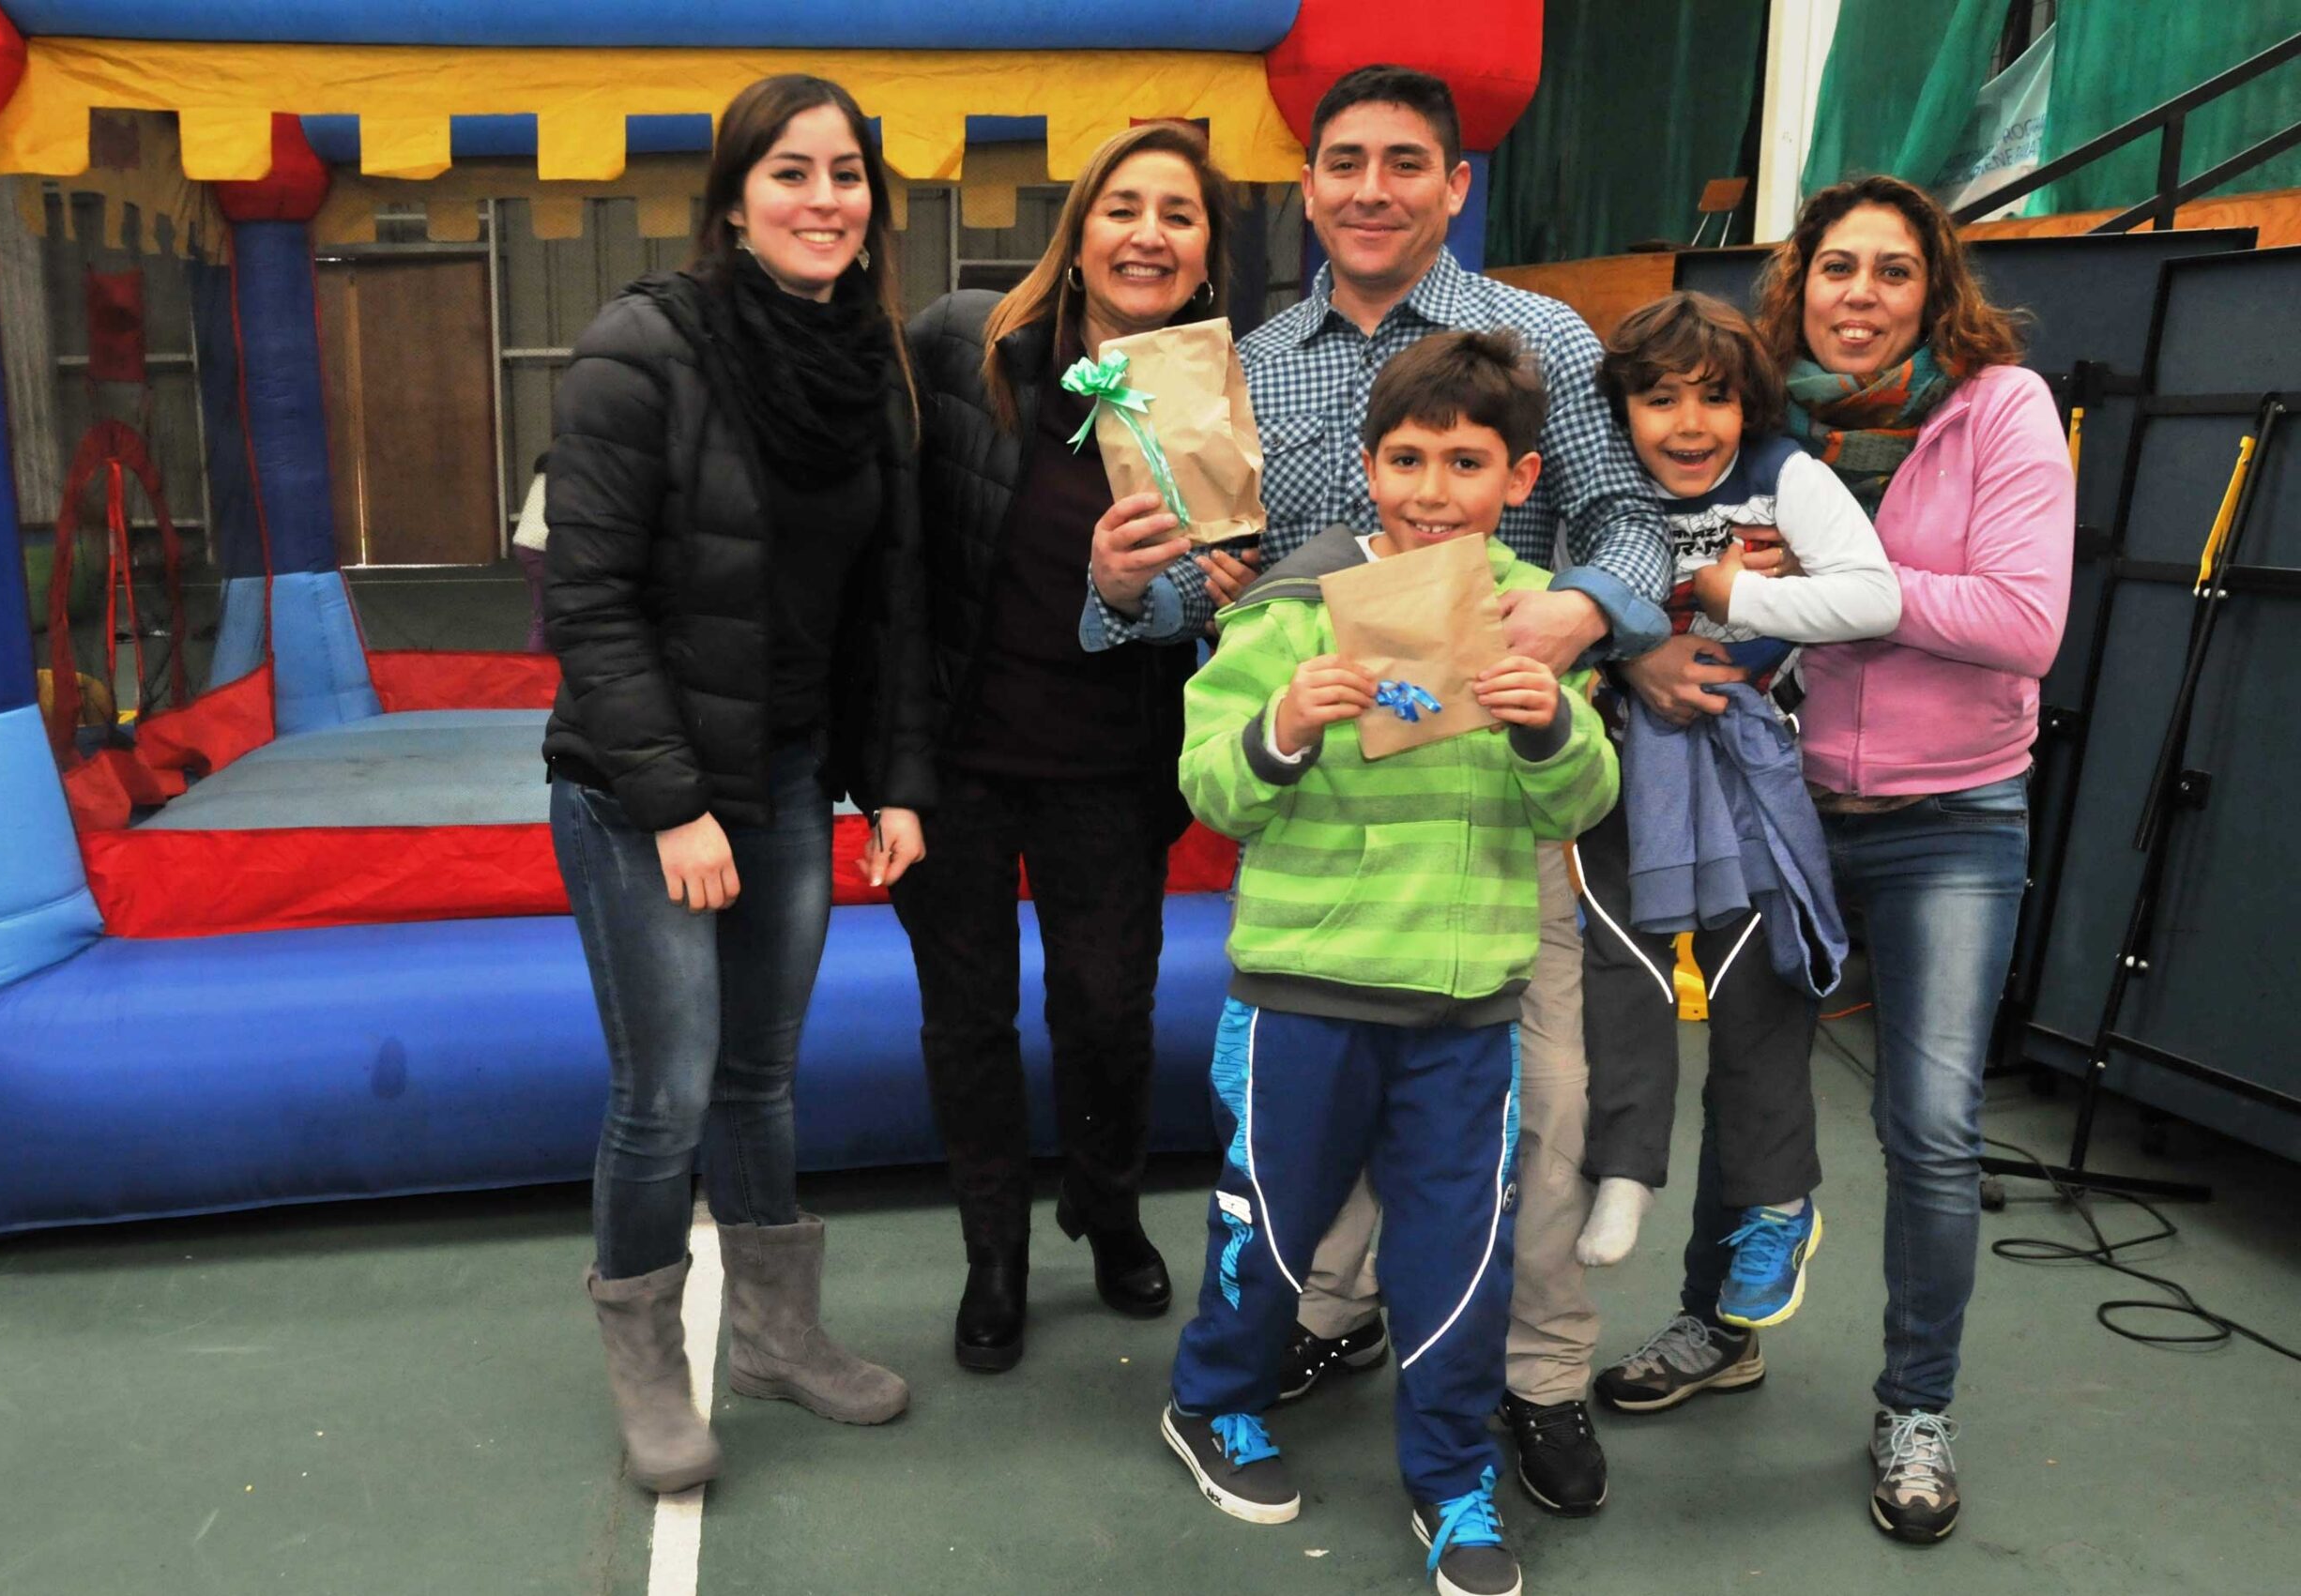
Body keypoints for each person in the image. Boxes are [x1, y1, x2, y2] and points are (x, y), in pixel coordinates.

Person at [1086, 62, 1672, 1517]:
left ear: (1454, 184)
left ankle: (1528, 1382)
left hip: (1488, 802)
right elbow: (1233, 593)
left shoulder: (1539, 332)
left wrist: (1577, 619)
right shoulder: (1250, 361)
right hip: (1326, 826)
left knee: (1531, 1121)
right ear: (1306, 184)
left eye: (1404, 162)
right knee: (1322, 1119)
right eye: (1342, 161)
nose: (1369, 187)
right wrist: (1131, 591)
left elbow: (1621, 519)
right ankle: (1326, 1323)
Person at [1595, 175, 2072, 1547]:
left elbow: (2022, 620)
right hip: (1779, 804)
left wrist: (1774, 591)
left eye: (1895, 272)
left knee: (1927, 1124)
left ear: (1939, 290)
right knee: (1742, 1076)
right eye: (1836, 269)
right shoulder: (1760, 419)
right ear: (1797, 285)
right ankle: (1717, 1325)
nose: (1862, 295)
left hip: (1948, 818)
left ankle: (1916, 1404)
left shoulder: (2001, 411)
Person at [1160, 329, 1618, 1596]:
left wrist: (1547, 731)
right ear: (1368, 466)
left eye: (1465, 461)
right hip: (1302, 998)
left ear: (1519, 478)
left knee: (1456, 1256)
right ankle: (1213, 1400)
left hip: (1466, 1011)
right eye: (1407, 457)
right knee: (1273, 1223)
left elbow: (1582, 802)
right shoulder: (1288, 610)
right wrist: (1285, 725)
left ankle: (1453, 1476)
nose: (1431, 488)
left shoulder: (1529, 619)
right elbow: (1209, 785)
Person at [540, 73, 937, 1493]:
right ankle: (650, 1357)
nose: (824, 199)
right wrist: (671, 805)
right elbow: (586, 602)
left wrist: (891, 780)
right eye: (790, 173)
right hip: (637, 789)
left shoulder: (866, 368)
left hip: (779, 775)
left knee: (761, 1079)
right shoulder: (637, 348)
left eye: (846, 175)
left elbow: (888, 598)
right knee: (668, 1087)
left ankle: (774, 1335)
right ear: (731, 200)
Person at [895, 122, 1251, 1372]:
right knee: (969, 1015)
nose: (1149, 233)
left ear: (1209, 250)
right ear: (1080, 231)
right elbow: (895, 547)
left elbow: (1216, 607)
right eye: (1124, 207)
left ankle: (1103, 1205)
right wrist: (883, 757)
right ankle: (992, 1250)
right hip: (957, 760)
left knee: (1108, 1009)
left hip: (1111, 758)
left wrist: (1199, 589)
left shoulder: (1216, 397)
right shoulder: (964, 344)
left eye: (1180, 213)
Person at [1570, 291, 1901, 1327]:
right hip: (1625, 754)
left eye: (1712, 399)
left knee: (1756, 982)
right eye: (1658, 399)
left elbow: (1873, 597)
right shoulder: (1605, 482)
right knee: (1614, 959)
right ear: (1621, 408)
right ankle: (1622, 1165)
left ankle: (1775, 1200)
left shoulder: (1780, 476)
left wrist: (1732, 598)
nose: (1686, 424)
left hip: (1744, 759)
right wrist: (1620, 656)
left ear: (1747, 407)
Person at [512, 451, 552, 651]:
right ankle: (534, 670)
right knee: (545, 618)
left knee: (542, 614)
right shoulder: (567, 477)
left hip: (525, 546)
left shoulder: (543, 476)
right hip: (539, 548)